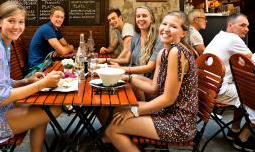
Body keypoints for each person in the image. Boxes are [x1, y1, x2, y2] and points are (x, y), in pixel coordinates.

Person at [0, 1, 62, 151]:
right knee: (54, 109)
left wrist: (26, 81)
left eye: (21, 22)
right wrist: (41, 84)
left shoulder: (2, 43)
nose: (17, 26)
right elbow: (0, 97)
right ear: (0, 22)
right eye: (11, 21)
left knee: (43, 105)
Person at [103, 11, 198, 152]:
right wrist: (127, 77)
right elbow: (154, 87)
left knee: (112, 129)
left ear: (183, 33)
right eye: (164, 24)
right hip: (166, 111)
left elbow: (168, 99)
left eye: (173, 26)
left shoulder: (177, 52)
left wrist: (135, 111)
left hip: (178, 122)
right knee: (114, 110)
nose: (166, 29)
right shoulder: (163, 53)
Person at [204, 13, 255, 151]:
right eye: (242, 25)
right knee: (250, 95)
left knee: (244, 89)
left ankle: (235, 129)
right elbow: (253, 62)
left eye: (247, 26)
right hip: (218, 90)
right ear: (230, 26)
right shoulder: (233, 39)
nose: (246, 29)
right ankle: (243, 138)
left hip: (206, 88)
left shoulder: (220, 36)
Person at [104, 6, 163, 79]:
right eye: (138, 16)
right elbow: (127, 60)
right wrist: (112, 65)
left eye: (144, 16)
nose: (141, 18)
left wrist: (121, 69)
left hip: (144, 80)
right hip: (130, 75)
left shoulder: (159, 40)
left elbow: (150, 67)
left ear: (151, 19)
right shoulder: (135, 37)